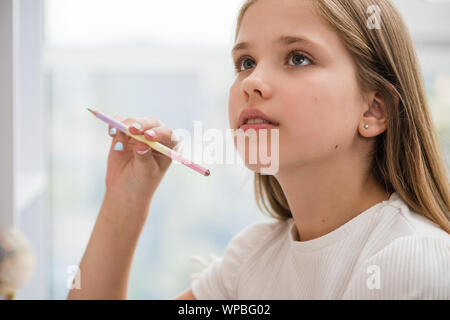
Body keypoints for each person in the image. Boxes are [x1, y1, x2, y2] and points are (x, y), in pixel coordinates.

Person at [67, 0, 450, 300]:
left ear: (373, 109)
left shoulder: (412, 262)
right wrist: (126, 199)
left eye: (298, 58)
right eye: (245, 62)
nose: (253, 82)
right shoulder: (252, 257)